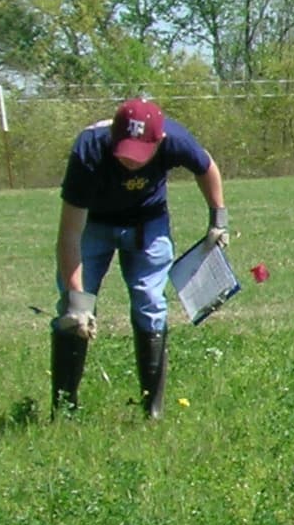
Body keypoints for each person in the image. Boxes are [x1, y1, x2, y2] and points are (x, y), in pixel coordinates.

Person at [52, 97, 228, 419]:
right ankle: (64, 411)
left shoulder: (175, 139)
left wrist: (219, 219)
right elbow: (69, 235)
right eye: (124, 153)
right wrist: (77, 302)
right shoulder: (88, 150)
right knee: (72, 307)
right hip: (95, 225)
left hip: (148, 223)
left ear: (159, 141)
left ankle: (153, 410)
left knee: (149, 300)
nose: (131, 162)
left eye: (140, 155)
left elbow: (207, 166)